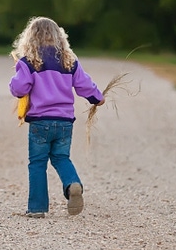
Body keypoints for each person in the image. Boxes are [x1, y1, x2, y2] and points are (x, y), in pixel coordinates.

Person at [8, 16, 104, 218]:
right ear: (59, 37)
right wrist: (97, 98)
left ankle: (37, 208)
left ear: (30, 38)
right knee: (61, 157)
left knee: (37, 163)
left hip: (40, 122)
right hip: (64, 122)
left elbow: (19, 89)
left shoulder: (29, 62)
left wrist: (17, 79)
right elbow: (84, 85)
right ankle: (72, 184)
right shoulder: (69, 61)